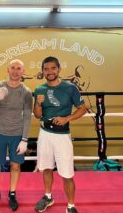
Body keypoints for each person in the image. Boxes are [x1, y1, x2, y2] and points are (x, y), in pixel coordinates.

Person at [33, 56, 87, 213]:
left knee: (67, 173)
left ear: (59, 69)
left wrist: (67, 118)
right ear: (42, 71)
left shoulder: (70, 88)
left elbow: (82, 108)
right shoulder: (39, 89)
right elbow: (37, 115)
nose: (49, 72)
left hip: (62, 136)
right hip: (45, 134)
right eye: (46, 69)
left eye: (52, 68)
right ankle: (48, 196)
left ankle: (71, 205)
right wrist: (37, 103)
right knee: (47, 168)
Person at [0, 59, 33, 211]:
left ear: (23, 71)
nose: (15, 71)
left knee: (15, 166)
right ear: (7, 69)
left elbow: (28, 116)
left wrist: (24, 139)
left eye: (19, 68)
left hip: (17, 135)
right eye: (13, 68)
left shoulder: (26, 92)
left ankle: (12, 193)